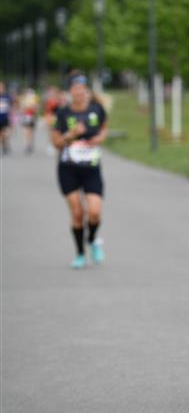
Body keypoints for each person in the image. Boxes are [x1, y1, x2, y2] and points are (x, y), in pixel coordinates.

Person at [50, 75, 109, 269]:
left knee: (94, 212)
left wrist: (99, 138)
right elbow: (56, 143)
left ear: (86, 90)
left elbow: (104, 129)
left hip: (91, 168)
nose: (79, 91)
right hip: (68, 169)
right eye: (75, 88)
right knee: (77, 213)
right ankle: (80, 254)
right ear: (70, 91)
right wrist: (71, 134)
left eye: (82, 88)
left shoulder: (96, 109)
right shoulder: (63, 113)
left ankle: (92, 239)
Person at [19, 87, 39, 154]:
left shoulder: (34, 98)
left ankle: (29, 143)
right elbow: (21, 108)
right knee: (26, 130)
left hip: (31, 116)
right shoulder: (23, 98)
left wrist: (32, 109)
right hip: (25, 116)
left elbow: (36, 107)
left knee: (30, 130)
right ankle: (27, 144)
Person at [0, 81, 12, 155]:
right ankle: (3, 145)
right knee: (1, 133)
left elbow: (11, 106)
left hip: (5, 118)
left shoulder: (7, 96)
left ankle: (5, 143)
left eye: (2, 87)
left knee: (6, 133)